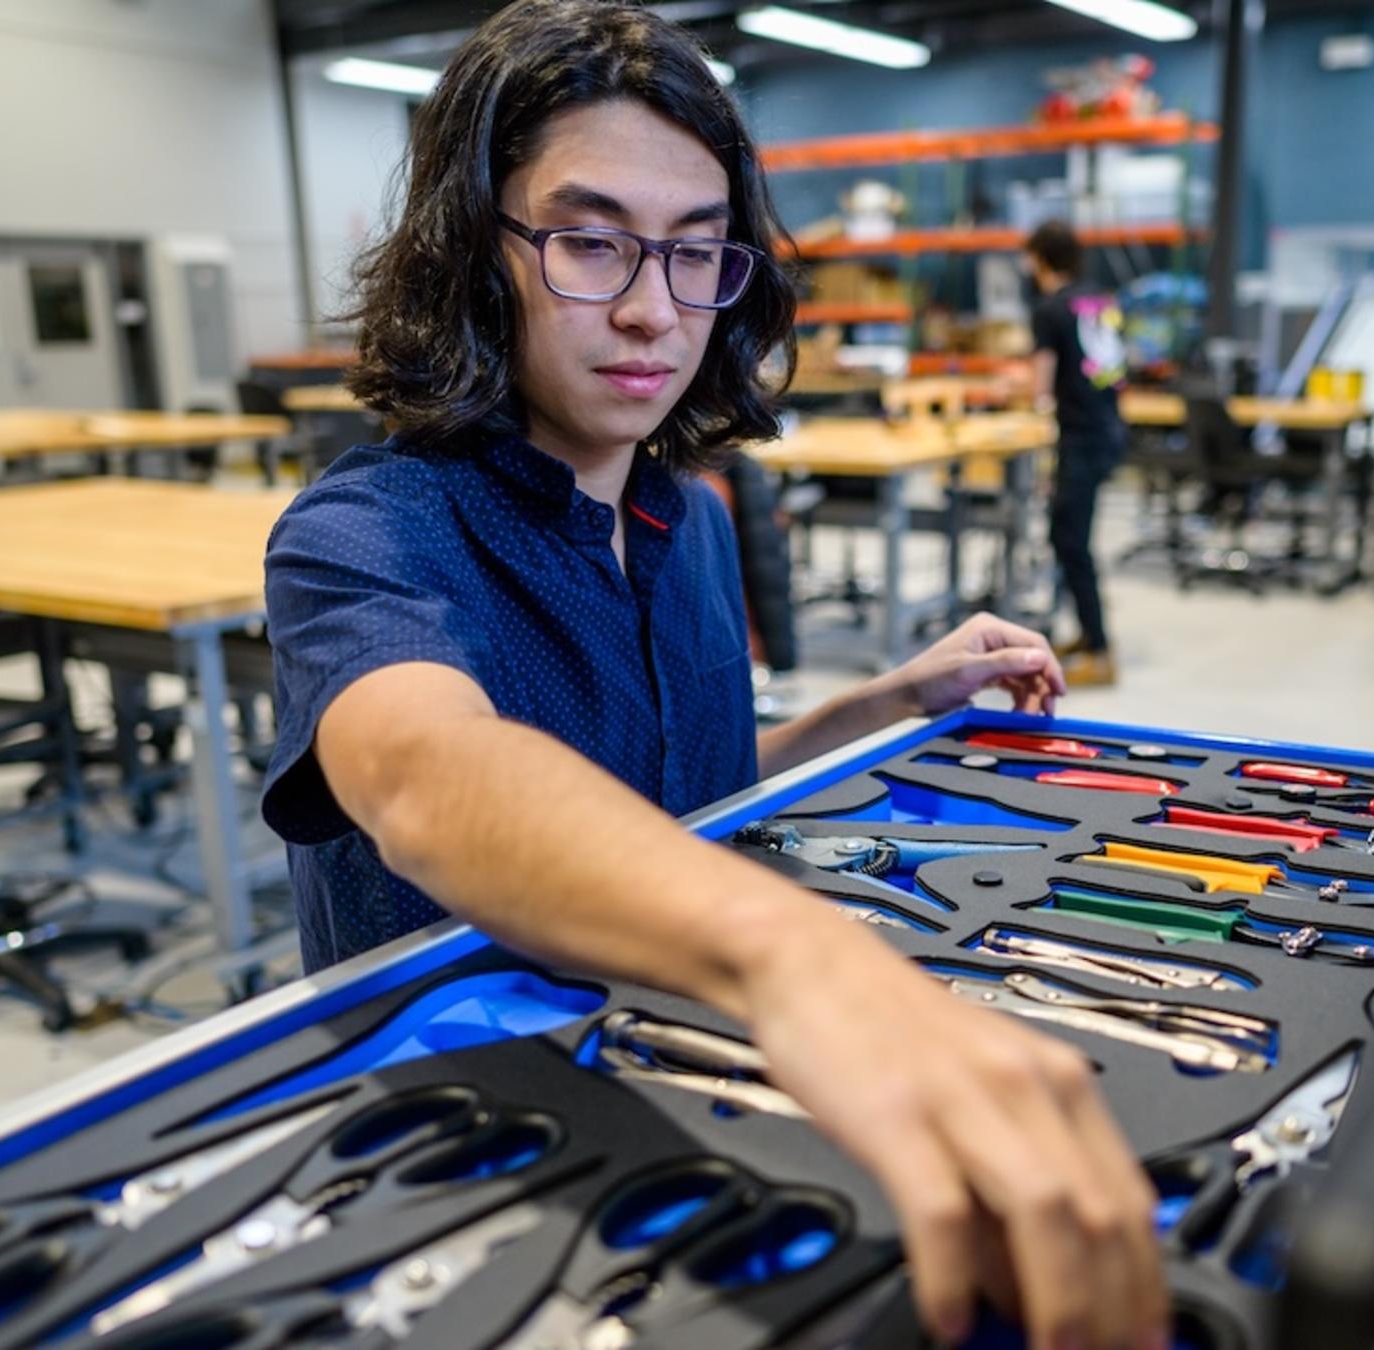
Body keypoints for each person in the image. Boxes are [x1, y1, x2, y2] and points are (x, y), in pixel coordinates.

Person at [257, 4, 1167, 1347]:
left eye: (695, 256)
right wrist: (800, 962)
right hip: (469, 1155)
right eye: (589, 241)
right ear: (474, 252)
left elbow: (683, 807)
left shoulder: (686, 521)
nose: (650, 310)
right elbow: (424, 773)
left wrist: (885, 705)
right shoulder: (367, 535)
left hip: (683, 1097)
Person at [1024, 221, 1130, 688]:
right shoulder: (1101, 300)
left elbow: (1041, 388)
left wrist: (1021, 390)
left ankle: (1102, 651)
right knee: (1070, 534)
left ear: (1039, 258)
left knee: (1070, 541)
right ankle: (1087, 635)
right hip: (1108, 429)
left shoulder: (1048, 309)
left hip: (1081, 436)